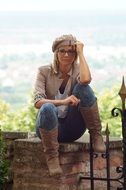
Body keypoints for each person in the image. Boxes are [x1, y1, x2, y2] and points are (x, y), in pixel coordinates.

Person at [33, 34, 106, 177]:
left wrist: (81, 52)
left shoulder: (78, 69)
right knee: (47, 107)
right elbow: (37, 102)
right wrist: (63, 101)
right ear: (56, 52)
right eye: (62, 50)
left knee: (83, 88)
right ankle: (52, 157)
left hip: (73, 127)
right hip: (48, 129)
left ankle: (96, 134)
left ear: (75, 54)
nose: (66, 54)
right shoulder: (44, 71)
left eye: (71, 51)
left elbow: (85, 80)